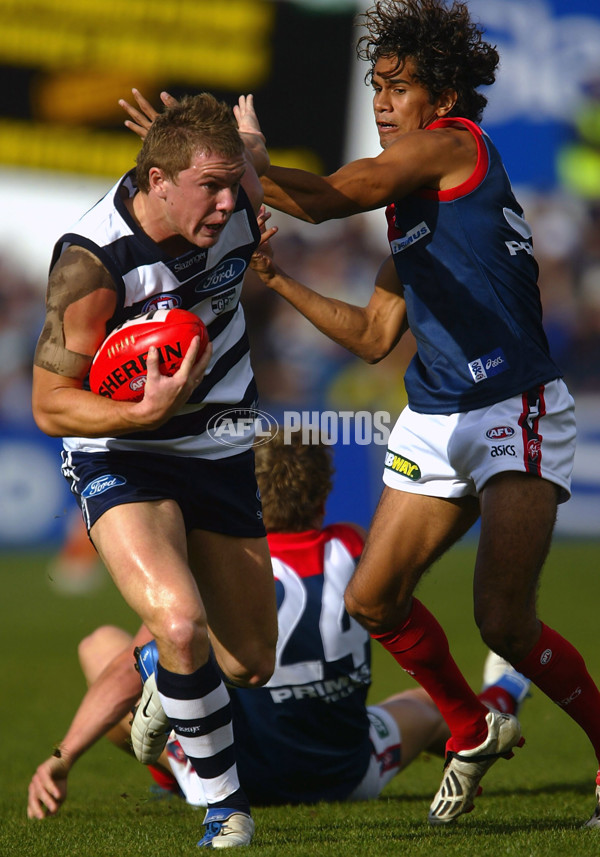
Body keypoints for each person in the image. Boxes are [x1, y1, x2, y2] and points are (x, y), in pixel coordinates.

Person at [245, 0, 600, 828]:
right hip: (439, 415)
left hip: (514, 406)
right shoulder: (416, 201)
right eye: (375, 85)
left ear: (440, 98)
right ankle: (472, 725)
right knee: (372, 600)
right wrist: (282, 281)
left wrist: (244, 160)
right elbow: (374, 335)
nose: (379, 101)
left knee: (503, 620)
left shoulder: (451, 148)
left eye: (396, 87)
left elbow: (330, 199)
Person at [28, 428, 530, 814]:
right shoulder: (355, 548)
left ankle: (174, 772)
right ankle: (505, 689)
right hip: (347, 773)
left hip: (227, 777)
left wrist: (63, 755)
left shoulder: (223, 570)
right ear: (321, 494)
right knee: (432, 703)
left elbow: (124, 672)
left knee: (103, 648)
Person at [30, 92, 279, 848]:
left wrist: (246, 144)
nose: (230, 201)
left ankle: (156, 669)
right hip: (125, 450)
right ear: (158, 182)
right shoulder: (91, 263)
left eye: (233, 183)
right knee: (179, 618)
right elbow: (49, 405)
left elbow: (255, 171)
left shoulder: (239, 193)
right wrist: (138, 417)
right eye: (211, 186)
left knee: (251, 662)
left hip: (220, 442)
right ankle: (224, 810)